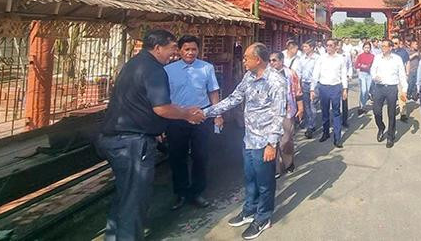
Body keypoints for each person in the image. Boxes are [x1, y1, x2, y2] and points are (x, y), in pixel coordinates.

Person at [97, 30, 204, 241]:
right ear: (157, 48)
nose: (174, 54)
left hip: (116, 139)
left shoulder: (134, 64)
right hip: (132, 143)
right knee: (135, 199)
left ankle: (114, 237)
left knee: (125, 195)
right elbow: (162, 108)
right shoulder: (154, 69)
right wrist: (187, 114)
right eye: (172, 49)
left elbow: (139, 104)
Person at [202, 43, 286, 240]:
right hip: (249, 138)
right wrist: (205, 112)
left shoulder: (276, 82)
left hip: (264, 142)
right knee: (249, 178)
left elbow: (279, 114)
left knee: (265, 182)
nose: (244, 60)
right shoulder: (249, 76)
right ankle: (249, 210)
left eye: (247, 57)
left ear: (258, 60)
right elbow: (234, 98)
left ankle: (263, 217)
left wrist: (272, 144)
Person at [164, 35, 222, 210]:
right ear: (179, 50)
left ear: (198, 50)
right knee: (177, 156)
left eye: (194, 49)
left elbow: (213, 92)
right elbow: (163, 97)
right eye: (186, 49)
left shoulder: (206, 68)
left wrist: (217, 114)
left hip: (200, 116)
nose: (190, 53)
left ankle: (197, 192)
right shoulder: (168, 70)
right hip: (177, 118)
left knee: (201, 156)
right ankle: (181, 192)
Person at [269, 52, 303, 178]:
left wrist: (301, 108)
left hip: (288, 110)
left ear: (281, 61)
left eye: (274, 60)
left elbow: (298, 91)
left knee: (286, 140)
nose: (272, 63)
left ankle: (288, 163)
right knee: (273, 140)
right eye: (270, 61)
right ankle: (276, 169)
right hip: (271, 112)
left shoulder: (290, 73)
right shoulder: (267, 75)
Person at [370, 39, 407, 148]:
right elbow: (372, 69)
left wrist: (404, 89)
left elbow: (402, 75)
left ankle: (390, 136)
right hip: (379, 87)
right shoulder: (377, 58)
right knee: (376, 111)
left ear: (391, 48)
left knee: (391, 113)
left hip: (391, 88)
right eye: (382, 46)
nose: (383, 49)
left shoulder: (397, 59)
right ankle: (381, 127)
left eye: (385, 46)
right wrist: (374, 77)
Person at [311, 38, 347, 148]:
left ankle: (337, 137)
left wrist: (345, 88)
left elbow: (344, 74)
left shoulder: (341, 59)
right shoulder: (321, 58)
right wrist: (312, 89)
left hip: (336, 87)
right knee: (325, 112)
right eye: (327, 45)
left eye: (331, 45)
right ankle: (325, 132)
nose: (329, 47)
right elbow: (315, 74)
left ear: (336, 47)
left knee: (336, 112)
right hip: (323, 87)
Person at [297, 40, 319, 138]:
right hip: (304, 83)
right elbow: (299, 72)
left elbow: (317, 73)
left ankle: (310, 126)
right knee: (306, 106)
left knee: (312, 104)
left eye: (306, 47)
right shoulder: (302, 59)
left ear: (312, 48)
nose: (304, 48)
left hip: (315, 84)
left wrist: (313, 88)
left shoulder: (318, 59)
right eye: (304, 47)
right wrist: (299, 84)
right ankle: (310, 122)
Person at [354, 42, 375, 115]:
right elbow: (356, 65)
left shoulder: (372, 56)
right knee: (364, 90)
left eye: (368, 47)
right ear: (363, 48)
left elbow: (374, 65)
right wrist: (363, 66)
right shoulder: (360, 56)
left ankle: (363, 105)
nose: (367, 49)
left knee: (367, 91)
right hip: (362, 74)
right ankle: (361, 107)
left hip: (369, 75)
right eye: (365, 47)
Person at [336, 39, 352, 129]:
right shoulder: (331, 56)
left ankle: (344, 120)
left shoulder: (346, 54)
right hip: (334, 81)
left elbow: (349, 65)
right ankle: (336, 119)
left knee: (344, 100)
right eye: (336, 45)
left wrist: (349, 75)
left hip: (344, 80)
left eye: (339, 45)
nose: (338, 47)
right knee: (335, 101)